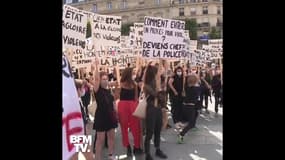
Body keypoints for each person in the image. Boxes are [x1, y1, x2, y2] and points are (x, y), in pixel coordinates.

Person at [92, 60, 118, 160]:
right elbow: (96, 79)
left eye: (106, 79)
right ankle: (97, 158)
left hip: (110, 117)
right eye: (103, 79)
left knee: (111, 137)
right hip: (101, 117)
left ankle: (111, 155)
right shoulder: (97, 90)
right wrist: (97, 65)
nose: (105, 81)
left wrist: (116, 113)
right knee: (100, 140)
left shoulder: (109, 90)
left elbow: (113, 104)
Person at [117, 68, 143, 157]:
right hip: (125, 107)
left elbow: (136, 97)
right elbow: (117, 97)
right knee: (125, 128)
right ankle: (129, 146)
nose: (134, 74)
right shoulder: (120, 84)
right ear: (129, 74)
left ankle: (135, 147)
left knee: (135, 128)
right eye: (133, 73)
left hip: (130, 106)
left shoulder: (134, 84)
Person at [143, 65, 167, 160]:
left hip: (158, 109)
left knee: (158, 130)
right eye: (157, 73)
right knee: (150, 132)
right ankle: (147, 153)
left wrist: (162, 88)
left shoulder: (158, 84)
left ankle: (158, 149)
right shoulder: (147, 85)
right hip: (151, 109)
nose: (158, 74)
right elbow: (156, 95)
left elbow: (162, 98)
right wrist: (160, 90)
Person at [177, 75, 201, 144]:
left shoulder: (187, 87)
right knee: (191, 123)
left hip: (185, 106)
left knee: (193, 118)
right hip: (190, 107)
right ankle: (181, 134)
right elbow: (200, 88)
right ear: (195, 81)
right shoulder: (197, 89)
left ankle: (188, 127)